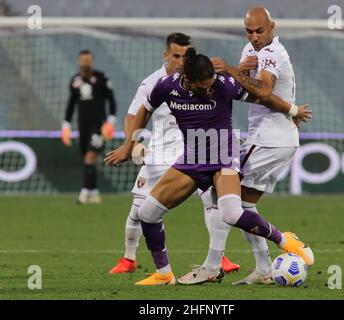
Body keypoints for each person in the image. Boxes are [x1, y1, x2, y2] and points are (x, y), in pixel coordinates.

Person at [104, 47, 314, 286]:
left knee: (232, 213)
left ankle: (285, 240)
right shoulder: (166, 85)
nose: (208, 89)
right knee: (147, 214)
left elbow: (262, 97)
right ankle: (164, 274)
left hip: (224, 159)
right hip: (192, 160)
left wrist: (292, 110)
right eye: (202, 86)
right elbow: (145, 110)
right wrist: (129, 143)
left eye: (210, 84)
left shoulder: (223, 84)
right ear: (187, 80)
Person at [179, 6, 313, 285]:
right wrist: (238, 71)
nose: (254, 37)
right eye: (250, 31)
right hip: (275, 140)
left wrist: (228, 69)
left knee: (219, 195)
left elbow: (263, 90)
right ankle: (264, 270)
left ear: (272, 26)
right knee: (243, 207)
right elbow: (244, 86)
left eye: (260, 31)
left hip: (268, 140)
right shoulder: (253, 51)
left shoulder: (271, 54)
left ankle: (213, 266)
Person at [109, 33, 240, 274]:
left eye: (185, 55)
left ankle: (218, 258)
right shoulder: (153, 83)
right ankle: (129, 258)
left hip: (192, 151)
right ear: (166, 55)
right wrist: (134, 144)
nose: (181, 61)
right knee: (139, 210)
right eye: (176, 56)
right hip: (159, 153)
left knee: (212, 203)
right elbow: (133, 115)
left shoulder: (200, 79)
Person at [61, 50, 117, 204]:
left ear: (92, 61)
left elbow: (111, 100)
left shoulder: (101, 77)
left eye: (88, 60)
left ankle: (85, 192)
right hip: (82, 124)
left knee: (90, 156)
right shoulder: (75, 80)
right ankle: (94, 193)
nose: (85, 62)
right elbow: (71, 104)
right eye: (83, 60)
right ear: (79, 61)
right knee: (86, 158)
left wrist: (111, 120)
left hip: (99, 125)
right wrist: (66, 124)